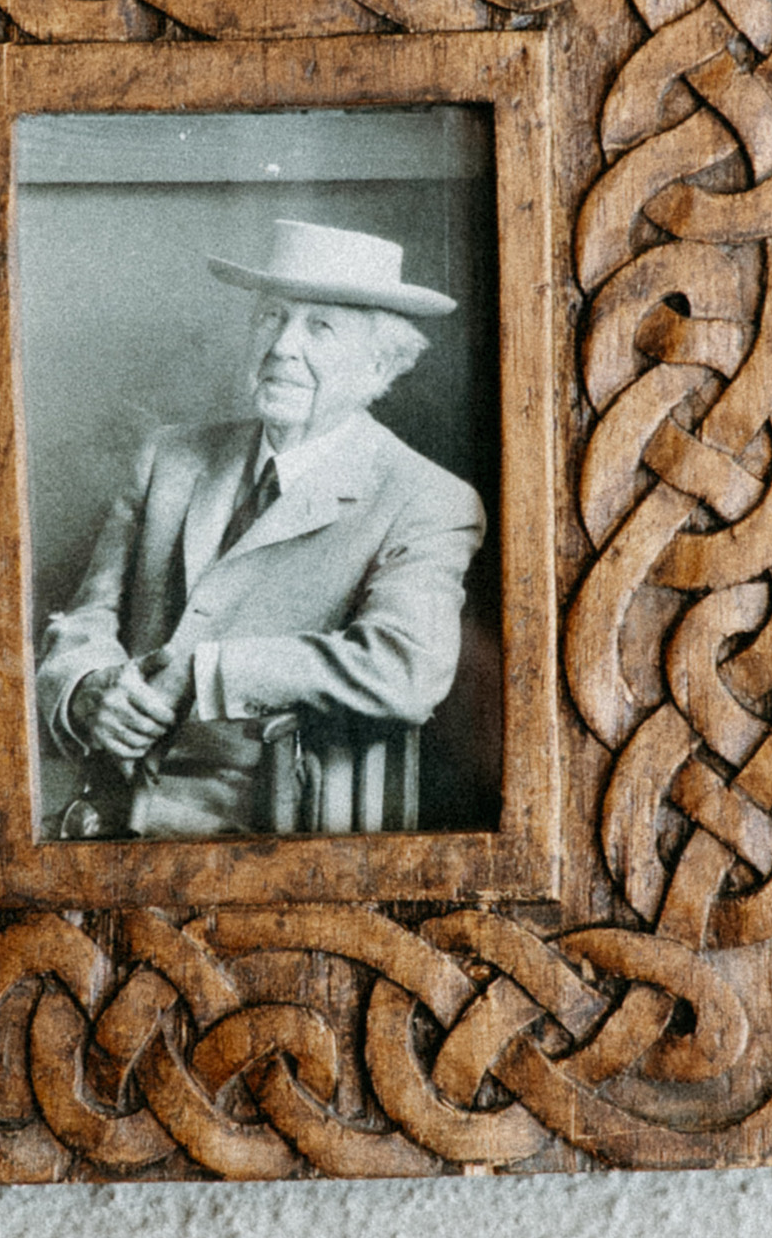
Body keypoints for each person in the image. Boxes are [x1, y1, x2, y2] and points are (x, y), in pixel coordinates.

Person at [34, 219, 484, 838]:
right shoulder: (170, 456)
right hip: (100, 805)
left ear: (380, 363)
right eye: (272, 317)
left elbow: (405, 670)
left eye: (319, 327)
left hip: (269, 832)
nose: (281, 348)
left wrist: (209, 673)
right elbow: (89, 617)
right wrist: (87, 688)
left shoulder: (426, 499)